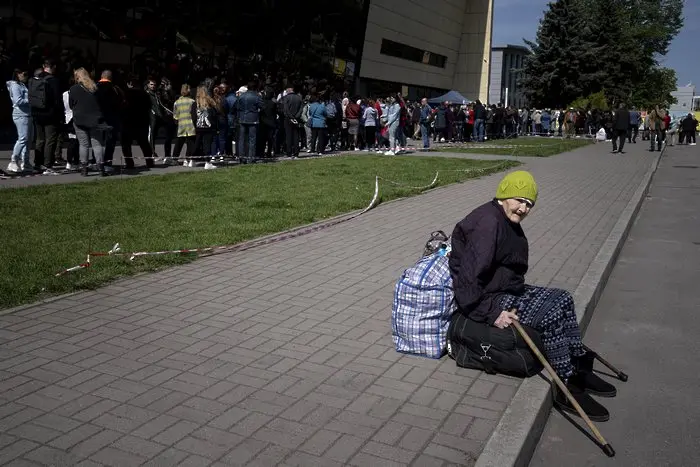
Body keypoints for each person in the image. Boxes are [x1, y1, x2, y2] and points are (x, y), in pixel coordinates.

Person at [448, 171, 616, 422]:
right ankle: (564, 383)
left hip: (504, 287)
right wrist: (491, 313)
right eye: (519, 200)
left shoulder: (503, 218)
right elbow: (468, 278)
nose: (524, 208)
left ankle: (578, 363)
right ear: (504, 196)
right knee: (549, 314)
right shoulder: (489, 224)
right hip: (488, 297)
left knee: (563, 298)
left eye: (529, 204)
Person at [68, 68, 110, 177]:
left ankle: (84, 169)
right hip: (95, 120)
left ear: (77, 77)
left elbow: (71, 105)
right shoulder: (95, 87)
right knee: (97, 144)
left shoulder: (73, 89)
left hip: (79, 119)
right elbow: (101, 103)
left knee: (83, 144)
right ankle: (101, 169)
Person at [6, 69, 33, 173]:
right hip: (20, 114)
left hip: (28, 114)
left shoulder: (22, 85)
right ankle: (13, 161)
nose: (26, 76)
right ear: (18, 74)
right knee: (23, 138)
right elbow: (18, 101)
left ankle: (25, 162)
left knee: (28, 140)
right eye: (24, 74)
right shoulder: (15, 86)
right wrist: (31, 100)